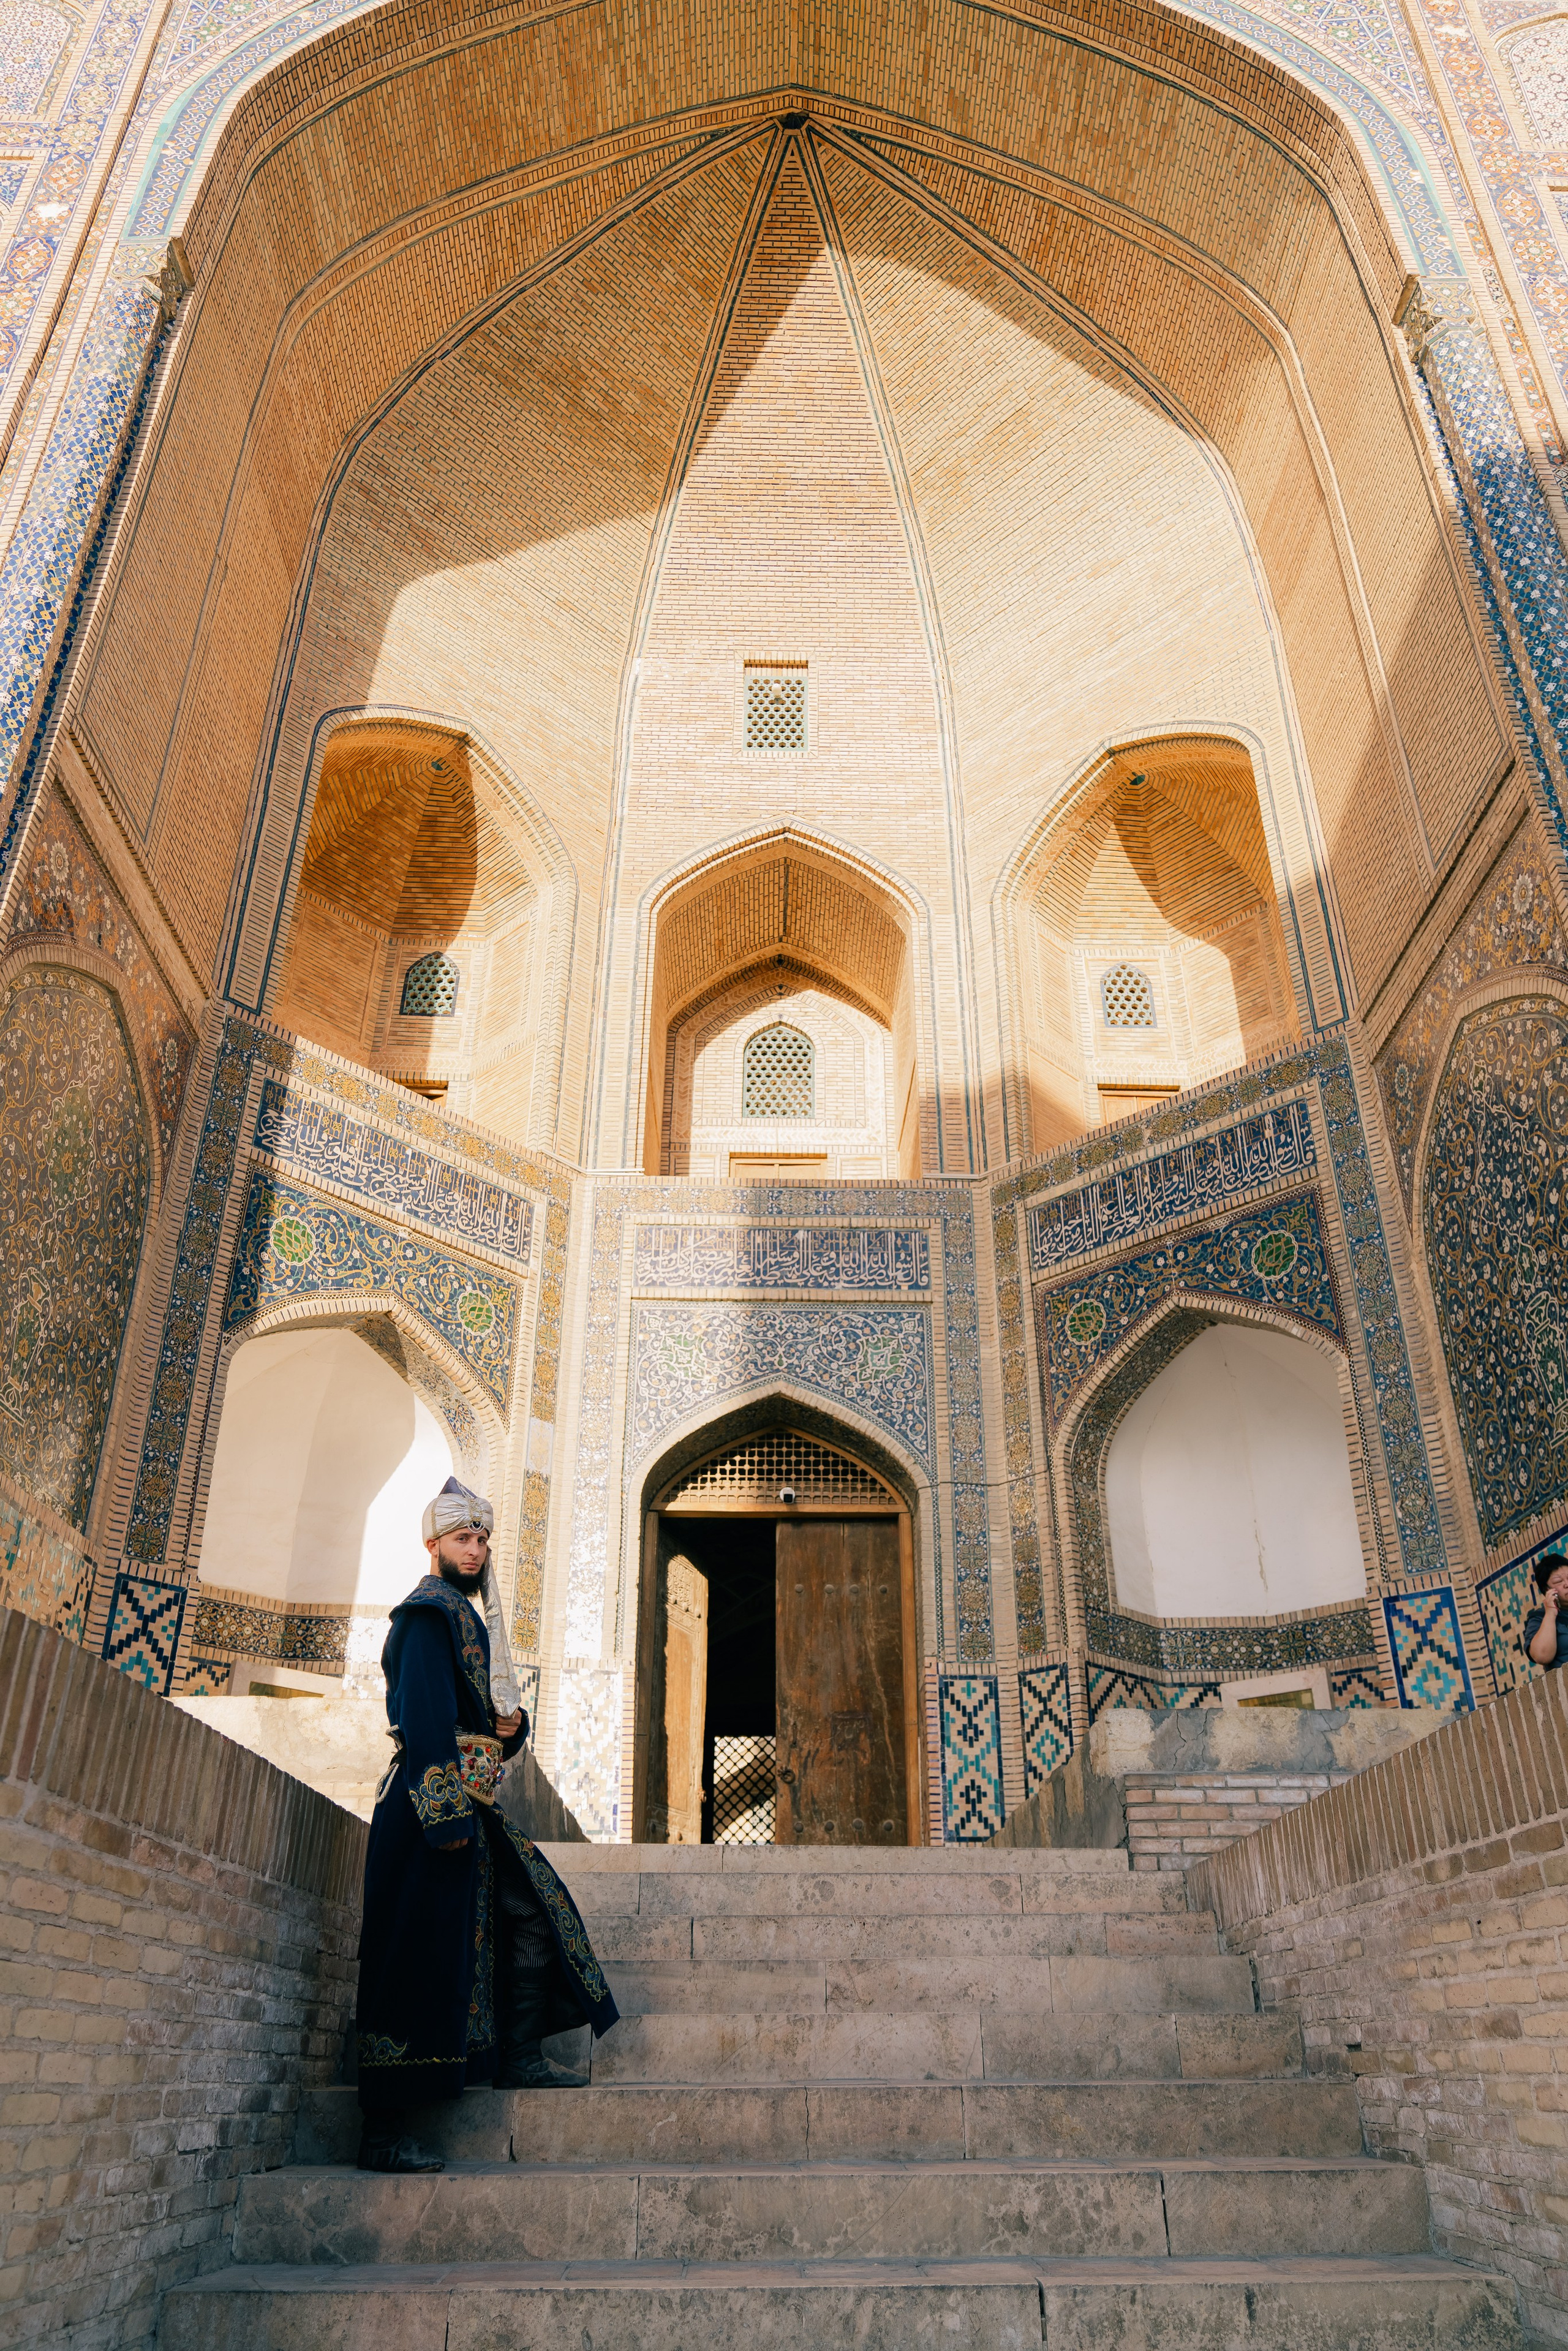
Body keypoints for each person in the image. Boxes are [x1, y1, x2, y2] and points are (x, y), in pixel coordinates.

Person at [353, 1476, 619, 2173]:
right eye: (462, 1539)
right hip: (425, 1813)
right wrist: (443, 1818)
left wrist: (513, 1729)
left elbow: (479, 1729)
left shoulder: (464, 1618)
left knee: (531, 1911)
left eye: (481, 1540)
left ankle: (519, 2057)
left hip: (468, 1809)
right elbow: (424, 1721)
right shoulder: (423, 1617)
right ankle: (382, 2133)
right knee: (408, 1960)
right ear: (433, 1544)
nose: (474, 1551)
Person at [1524, 1552, 1568, 1672]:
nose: (1567, 1584)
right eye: (1559, 1581)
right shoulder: (1539, 1618)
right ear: (1547, 1590)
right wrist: (1550, 1613)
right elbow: (1542, 1656)